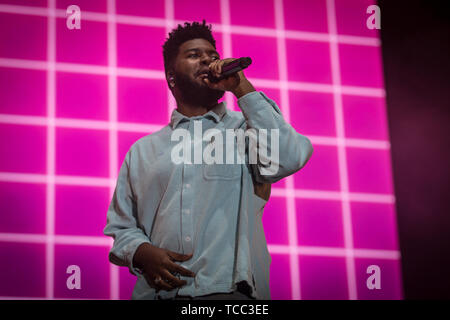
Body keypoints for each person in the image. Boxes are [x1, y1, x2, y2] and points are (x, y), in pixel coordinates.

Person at [103, 20, 313, 300]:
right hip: (158, 295)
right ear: (171, 77)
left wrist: (242, 88)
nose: (207, 60)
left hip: (230, 296)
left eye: (212, 56)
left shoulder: (247, 130)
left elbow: (289, 157)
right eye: (194, 55)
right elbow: (121, 227)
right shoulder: (142, 151)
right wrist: (141, 253)